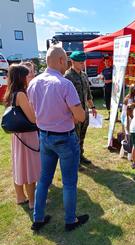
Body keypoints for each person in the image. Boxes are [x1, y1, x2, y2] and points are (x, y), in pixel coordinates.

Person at [27, 46, 89, 232]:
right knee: (69, 182)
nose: (67, 64)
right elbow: (80, 116)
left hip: (45, 136)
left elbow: (34, 113)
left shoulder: (34, 83)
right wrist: (73, 114)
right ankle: (70, 220)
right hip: (64, 138)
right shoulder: (64, 84)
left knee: (44, 179)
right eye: (67, 61)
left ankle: (38, 218)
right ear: (62, 60)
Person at [3, 64, 40, 210]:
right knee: (30, 168)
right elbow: (32, 118)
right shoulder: (21, 94)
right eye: (26, 75)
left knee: (20, 166)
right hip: (27, 135)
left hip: (18, 136)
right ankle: (32, 201)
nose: (28, 77)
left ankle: (21, 197)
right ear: (21, 78)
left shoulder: (10, 93)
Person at [64, 51, 97, 166]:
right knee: (74, 138)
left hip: (84, 111)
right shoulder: (67, 76)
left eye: (84, 61)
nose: (83, 64)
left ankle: (80, 155)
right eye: (80, 62)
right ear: (72, 61)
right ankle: (74, 160)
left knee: (82, 135)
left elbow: (88, 93)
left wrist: (92, 106)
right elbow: (64, 98)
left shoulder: (84, 75)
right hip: (74, 113)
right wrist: (72, 115)